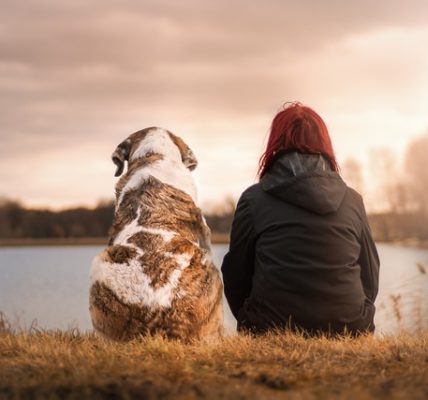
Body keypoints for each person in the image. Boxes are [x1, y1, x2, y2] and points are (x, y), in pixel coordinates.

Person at [221, 102, 380, 336]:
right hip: (350, 328)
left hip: (269, 328)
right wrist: (356, 316)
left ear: (275, 144)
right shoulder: (352, 200)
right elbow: (370, 274)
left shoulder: (253, 200)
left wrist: (251, 319)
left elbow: (236, 274)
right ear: (324, 144)